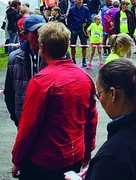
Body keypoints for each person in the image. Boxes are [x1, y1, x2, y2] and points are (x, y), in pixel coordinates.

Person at [11, 21, 98, 179]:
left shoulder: (40, 82)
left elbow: (28, 128)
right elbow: (91, 118)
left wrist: (17, 160)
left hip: (44, 161)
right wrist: (87, 150)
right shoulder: (85, 77)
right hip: (74, 156)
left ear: (42, 48)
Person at [75, 59, 136, 180]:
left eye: (99, 94)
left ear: (113, 94)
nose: (99, 99)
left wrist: (99, 171)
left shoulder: (110, 158)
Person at [4, 14, 47, 127]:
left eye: (42, 31)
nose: (39, 35)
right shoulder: (15, 58)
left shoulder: (55, 55)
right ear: (26, 34)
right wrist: (15, 117)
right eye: (35, 32)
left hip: (49, 118)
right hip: (24, 118)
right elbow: (9, 92)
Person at [67, 0, 91, 67]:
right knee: (72, 46)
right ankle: (73, 60)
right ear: (76, 1)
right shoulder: (72, 9)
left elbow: (89, 18)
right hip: (74, 29)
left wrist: (86, 26)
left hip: (82, 30)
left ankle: (84, 60)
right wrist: (71, 27)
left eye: (81, 0)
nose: (80, 1)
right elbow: (69, 20)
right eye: (79, 0)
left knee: (84, 46)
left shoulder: (86, 9)